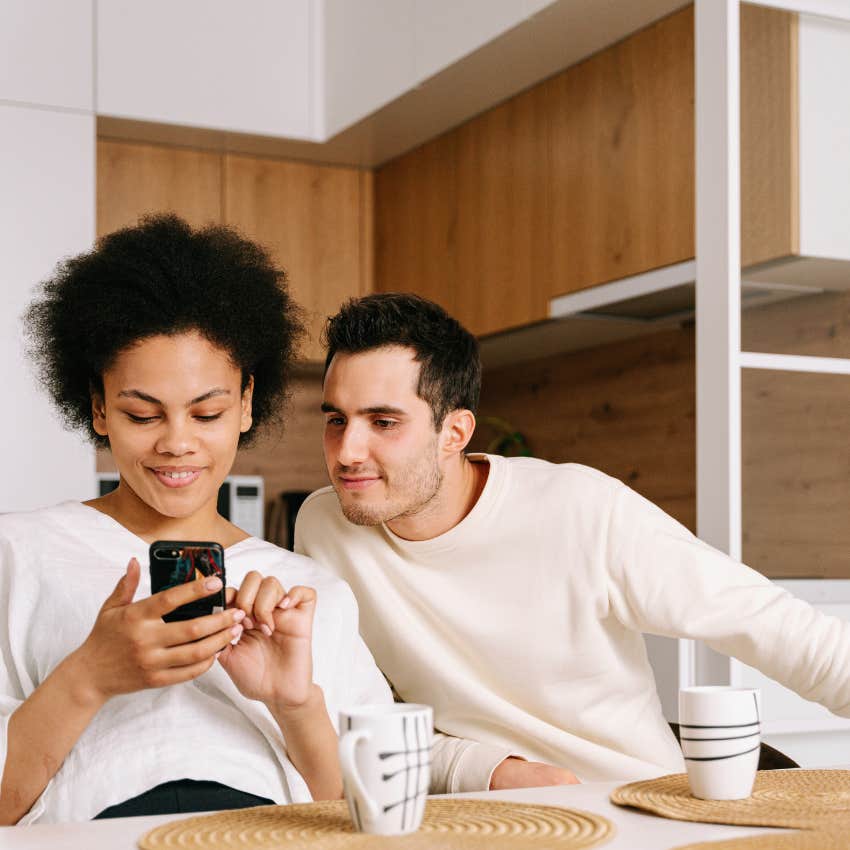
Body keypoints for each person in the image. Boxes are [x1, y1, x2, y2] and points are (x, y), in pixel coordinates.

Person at [294, 292, 850, 794]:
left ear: (455, 433)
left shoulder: (580, 510)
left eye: (383, 422)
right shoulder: (325, 527)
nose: (347, 452)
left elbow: (781, 631)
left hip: (641, 813)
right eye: (336, 420)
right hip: (477, 816)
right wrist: (487, 770)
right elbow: (352, 718)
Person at [0, 215, 390, 825]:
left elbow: (368, 816)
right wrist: (89, 677)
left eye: (206, 414)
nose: (177, 444)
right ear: (99, 409)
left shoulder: (305, 593)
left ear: (245, 406)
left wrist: (294, 703)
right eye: (142, 414)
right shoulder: (18, 554)